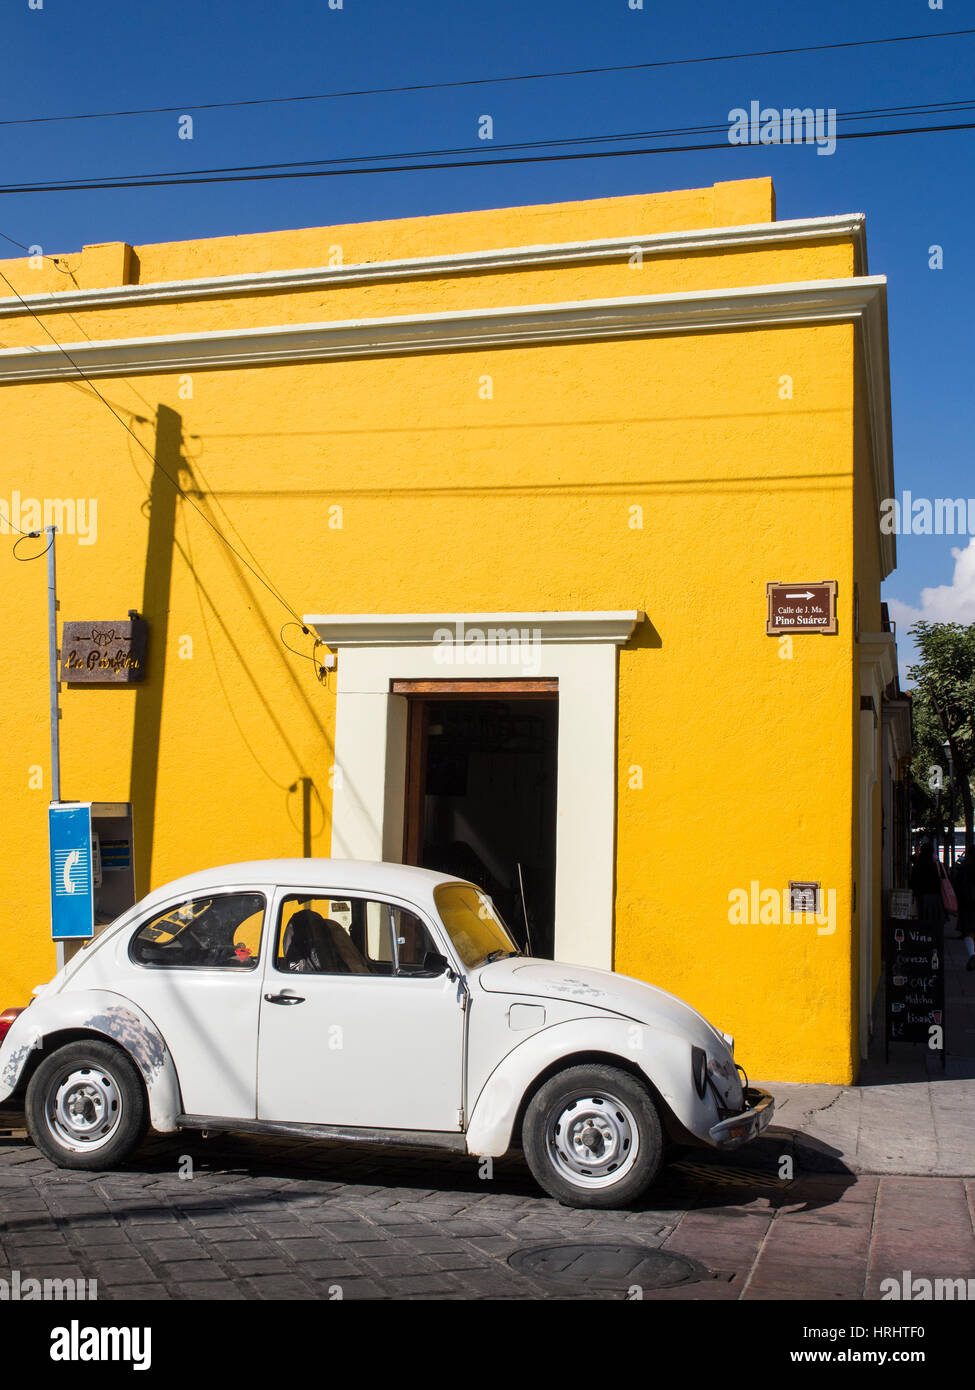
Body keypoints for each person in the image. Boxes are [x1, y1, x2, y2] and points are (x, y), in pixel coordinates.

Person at [909, 840, 946, 931]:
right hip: (936, 896)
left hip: (922, 895)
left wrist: (914, 893)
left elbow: (913, 880)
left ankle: (925, 936)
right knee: (935, 919)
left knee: (923, 918)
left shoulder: (918, 864)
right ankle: (935, 937)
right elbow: (944, 877)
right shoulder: (936, 864)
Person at [952, 852, 975, 972]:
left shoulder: (964, 870)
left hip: (967, 905)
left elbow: (957, 886)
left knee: (968, 932)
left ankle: (972, 954)